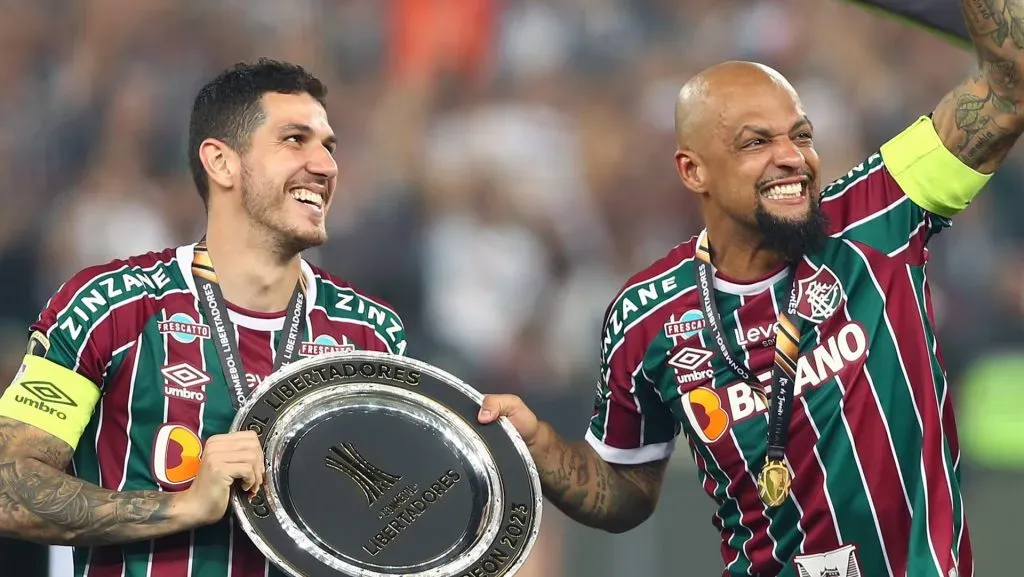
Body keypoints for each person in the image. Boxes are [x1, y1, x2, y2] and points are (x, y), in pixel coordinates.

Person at [478, 2, 1024, 576]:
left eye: (801, 135)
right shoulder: (647, 316)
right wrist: (540, 444)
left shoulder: (878, 214)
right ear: (693, 171)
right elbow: (624, 489)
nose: (791, 158)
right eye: (755, 143)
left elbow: (1008, 90)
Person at [0, 58, 407, 576]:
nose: (325, 166)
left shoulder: (370, 333)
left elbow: (395, 524)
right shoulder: (112, 304)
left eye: (328, 146)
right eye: (295, 140)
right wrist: (182, 506)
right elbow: (6, 483)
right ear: (221, 162)